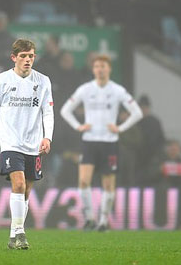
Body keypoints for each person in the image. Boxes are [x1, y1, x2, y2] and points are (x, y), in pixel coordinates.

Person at [0, 38, 54, 250]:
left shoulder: (43, 81)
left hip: (33, 144)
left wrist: (47, 137)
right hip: (10, 143)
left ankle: (14, 234)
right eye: (23, 56)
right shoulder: (1, 80)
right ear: (13, 57)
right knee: (19, 184)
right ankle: (21, 233)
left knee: (26, 190)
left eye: (31, 55)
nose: (27, 60)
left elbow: (48, 111)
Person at [60, 54, 143, 232]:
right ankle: (90, 218)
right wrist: (78, 126)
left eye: (103, 66)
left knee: (108, 184)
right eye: (97, 66)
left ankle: (104, 221)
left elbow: (137, 113)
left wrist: (120, 128)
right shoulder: (85, 89)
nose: (100, 69)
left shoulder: (117, 90)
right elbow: (65, 110)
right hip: (89, 141)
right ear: (93, 69)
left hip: (109, 143)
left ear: (109, 69)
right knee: (83, 181)